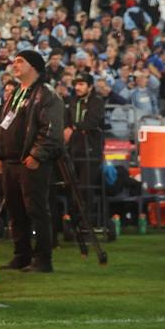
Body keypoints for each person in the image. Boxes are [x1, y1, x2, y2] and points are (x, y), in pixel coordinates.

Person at [0, 50, 64, 273]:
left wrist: (37, 155)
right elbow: (2, 126)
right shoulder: (16, 93)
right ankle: (22, 255)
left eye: (20, 61)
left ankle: (43, 259)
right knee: (15, 212)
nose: (14, 65)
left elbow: (51, 130)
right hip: (10, 162)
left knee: (36, 210)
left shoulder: (46, 94)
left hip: (31, 162)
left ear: (33, 66)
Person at [64, 72, 107, 228]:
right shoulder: (72, 101)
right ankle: (74, 219)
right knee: (72, 186)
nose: (77, 87)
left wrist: (74, 128)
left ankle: (87, 221)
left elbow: (92, 121)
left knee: (85, 186)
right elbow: (66, 121)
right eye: (76, 84)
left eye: (81, 84)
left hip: (91, 150)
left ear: (90, 86)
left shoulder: (97, 102)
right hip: (73, 150)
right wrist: (72, 128)